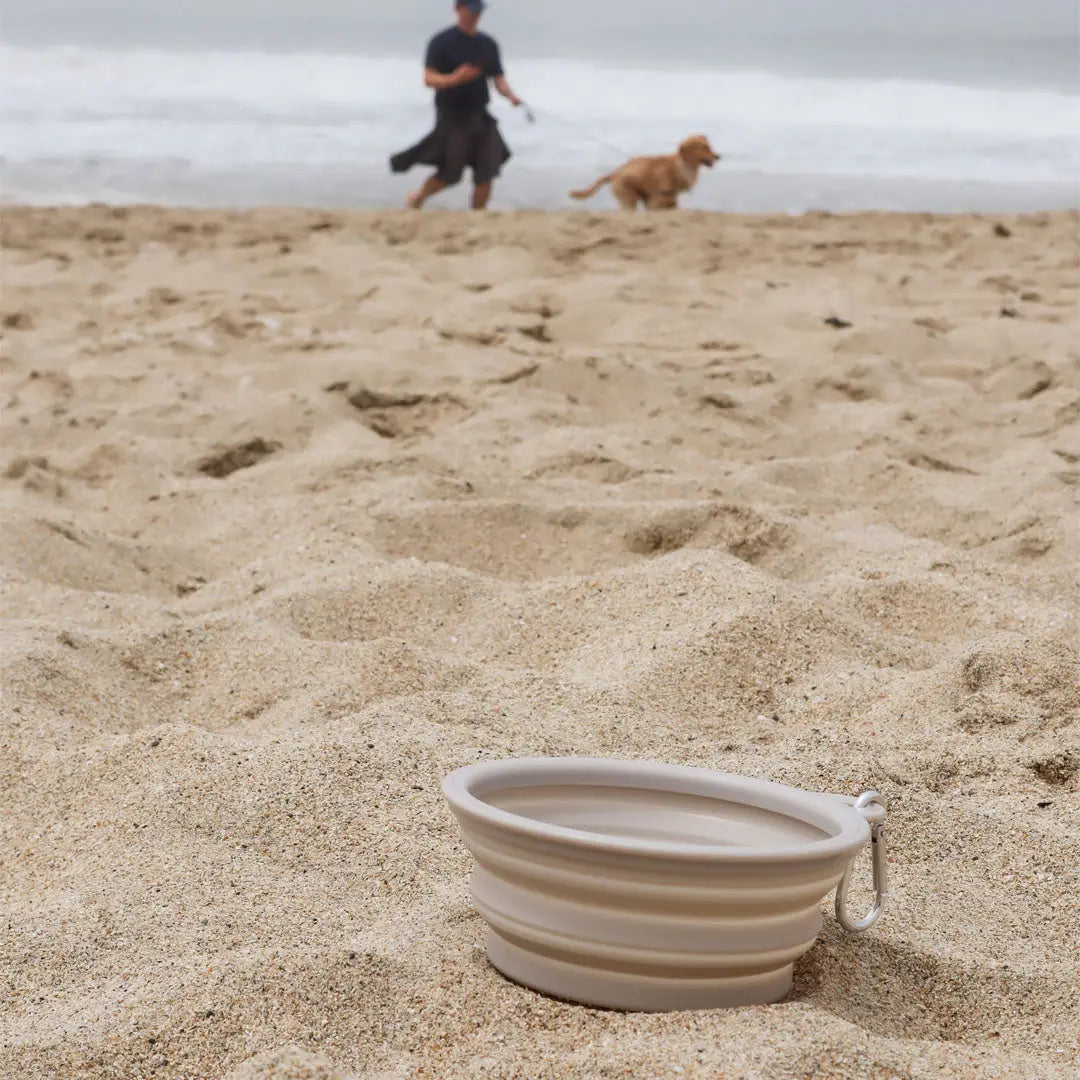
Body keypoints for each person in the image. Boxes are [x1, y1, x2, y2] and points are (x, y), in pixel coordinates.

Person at [390, 0, 524, 210]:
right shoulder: (441, 42)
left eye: (479, 11)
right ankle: (417, 199)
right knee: (450, 173)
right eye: (471, 10)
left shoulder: (488, 43)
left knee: (487, 169)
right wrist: (454, 79)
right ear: (458, 9)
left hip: (481, 114)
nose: (475, 15)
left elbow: (498, 78)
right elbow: (429, 79)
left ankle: (477, 216)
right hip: (451, 116)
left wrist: (511, 96)